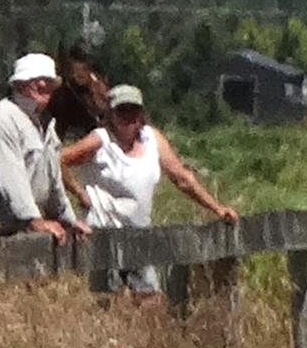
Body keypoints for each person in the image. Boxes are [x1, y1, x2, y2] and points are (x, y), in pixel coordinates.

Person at [65, 81, 238, 292]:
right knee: (108, 301)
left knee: (149, 300)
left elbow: (182, 178)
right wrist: (78, 192)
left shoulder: (152, 139)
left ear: (142, 113)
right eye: (122, 111)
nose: (129, 117)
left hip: (139, 236)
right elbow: (58, 161)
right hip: (103, 236)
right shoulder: (100, 140)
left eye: (134, 110)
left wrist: (217, 208)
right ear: (110, 115)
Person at [0, 54, 83, 241]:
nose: (46, 86)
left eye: (50, 82)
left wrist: (67, 219)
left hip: (15, 229)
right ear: (19, 85)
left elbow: (54, 180)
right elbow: (11, 175)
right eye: (38, 81)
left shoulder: (46, 125)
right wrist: (34, 221)